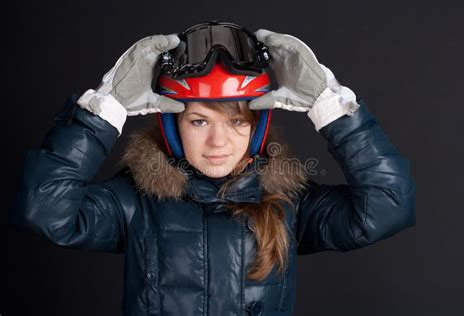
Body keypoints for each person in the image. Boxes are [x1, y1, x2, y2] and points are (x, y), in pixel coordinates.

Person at [9, 21, 416, 316]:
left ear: (258, 130)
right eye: (199, 121)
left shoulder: (289, 204)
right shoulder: (134, 201)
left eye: (237, 121)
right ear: (172, 126)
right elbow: (46, 211)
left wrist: (333, 109)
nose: (218, 142)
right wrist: (102, 112)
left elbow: (388, 207)